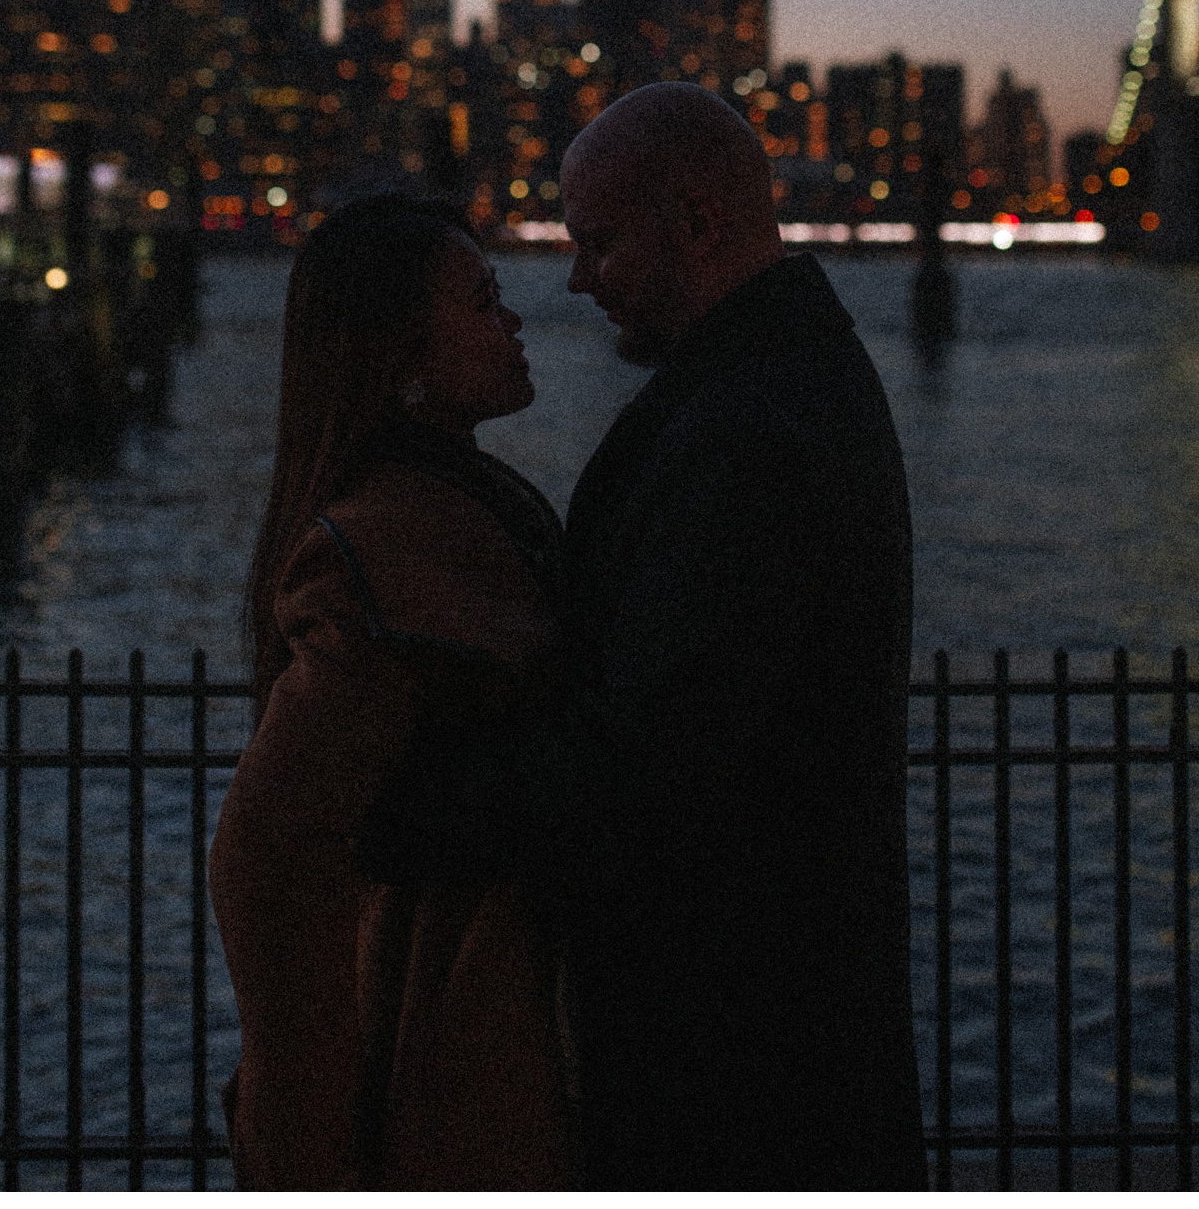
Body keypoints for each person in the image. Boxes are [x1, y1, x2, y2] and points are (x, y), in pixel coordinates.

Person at [363, 84, 927, 1189]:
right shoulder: (784, 389)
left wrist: (408, 806)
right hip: (776, 1050)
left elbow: (649, 761)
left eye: (601, 241)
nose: (577, 278)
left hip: (735, 1079)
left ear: (700, 221)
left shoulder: (747, 434)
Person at [208, 194, 572, 1190]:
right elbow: (267, 854)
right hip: (455, 1058)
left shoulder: (418, 518)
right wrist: (308, 1147)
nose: (515, 319)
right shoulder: (382, 553)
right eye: (484, 298)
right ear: (399, 352)